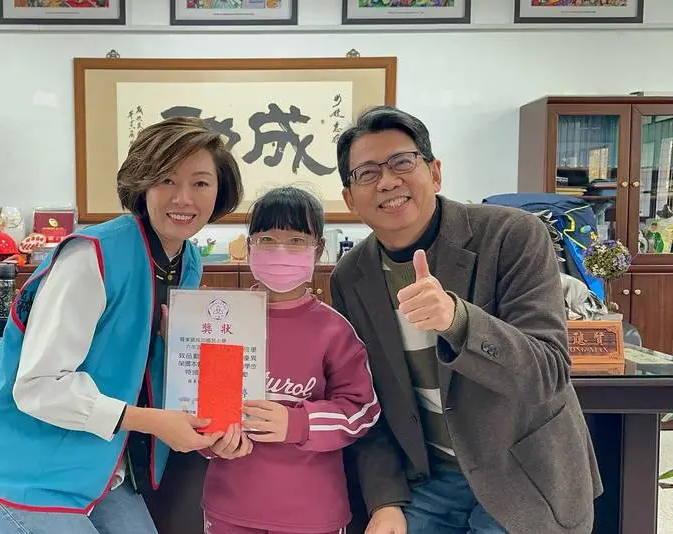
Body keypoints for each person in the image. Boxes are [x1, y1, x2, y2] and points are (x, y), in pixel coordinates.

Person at [0, 116, 244, 534]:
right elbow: (39, 385)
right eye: (166, 180)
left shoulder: (188, 263)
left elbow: (167, 372)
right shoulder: (94, 256)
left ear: (220, 190)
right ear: (142, 184)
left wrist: (218, 428)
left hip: (95, 459)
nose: (183, 198)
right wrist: (155, 422)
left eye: (200, 183)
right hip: (16, 458)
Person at [329, 106, 602, 534]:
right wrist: (384, 500)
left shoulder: (513, 235)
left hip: (524, 472)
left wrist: (458, 321)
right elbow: (366, 398)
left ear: (435, 172)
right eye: (367, 173)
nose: (387, 181)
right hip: (430, 477)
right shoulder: (351, 276)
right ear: (350, 199)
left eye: (402, 162)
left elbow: (548, 371)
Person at [200, 186, 381, 534]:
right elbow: (202, 407)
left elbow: (362, 410)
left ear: (318, 249)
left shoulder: (334, 330)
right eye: (267, 240)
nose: (280, 251)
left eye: (296, 240)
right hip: (229, 507)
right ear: (249, 246)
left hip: (312, 513)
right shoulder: (225, 322)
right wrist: (211, 442)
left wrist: (298, 424)